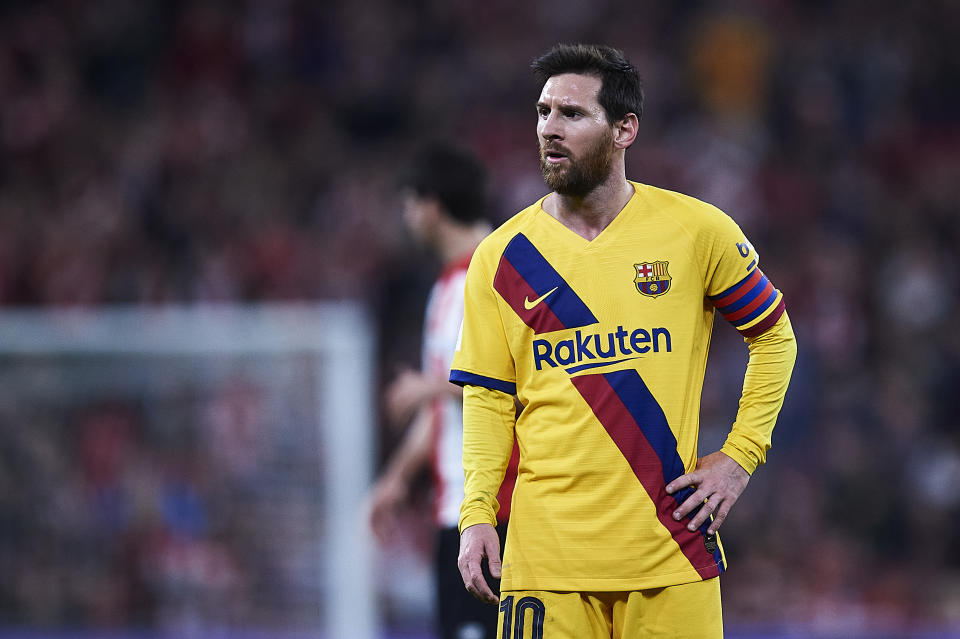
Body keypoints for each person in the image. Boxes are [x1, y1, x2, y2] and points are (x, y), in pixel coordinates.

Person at [450, 44, 797, 638]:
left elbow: (774, 338)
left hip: (670, 554)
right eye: (543, 112)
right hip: (544, 566)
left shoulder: (696, 232)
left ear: (625, 129)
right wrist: (477, 514)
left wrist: (739, 459)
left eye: (572, 114)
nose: (550, 130)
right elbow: (488, 398)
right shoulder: (501, 260)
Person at [368, 142, 516, 639]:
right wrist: (395, 478)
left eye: (409, 202)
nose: (406, 215)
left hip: (499, 508)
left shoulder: (500, 272)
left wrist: (429, 385)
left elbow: (521, 382)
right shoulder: (446, 285)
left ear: (432, 205)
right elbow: (445, 407)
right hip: (454, 507)